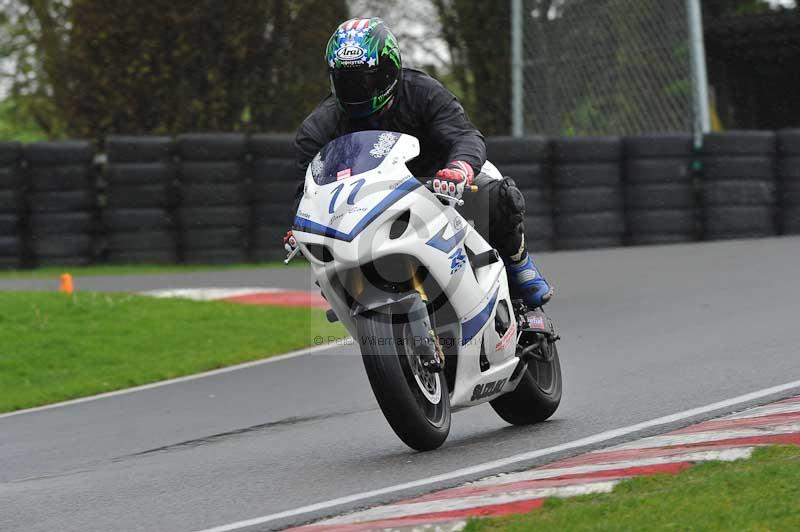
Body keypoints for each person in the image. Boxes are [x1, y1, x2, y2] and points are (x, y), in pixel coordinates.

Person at [284, 17, 553, 308]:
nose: (359, 89)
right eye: (347, 81)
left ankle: (517, 262)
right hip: (368, 208)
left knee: (498, 195)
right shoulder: (318, 128)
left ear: (390, 69)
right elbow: (308, 190)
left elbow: (465, 135)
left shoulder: (423, 92)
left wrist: (458, 168)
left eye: (367, 78)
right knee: (326, 270)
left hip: (439, 187)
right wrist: (302, 227)